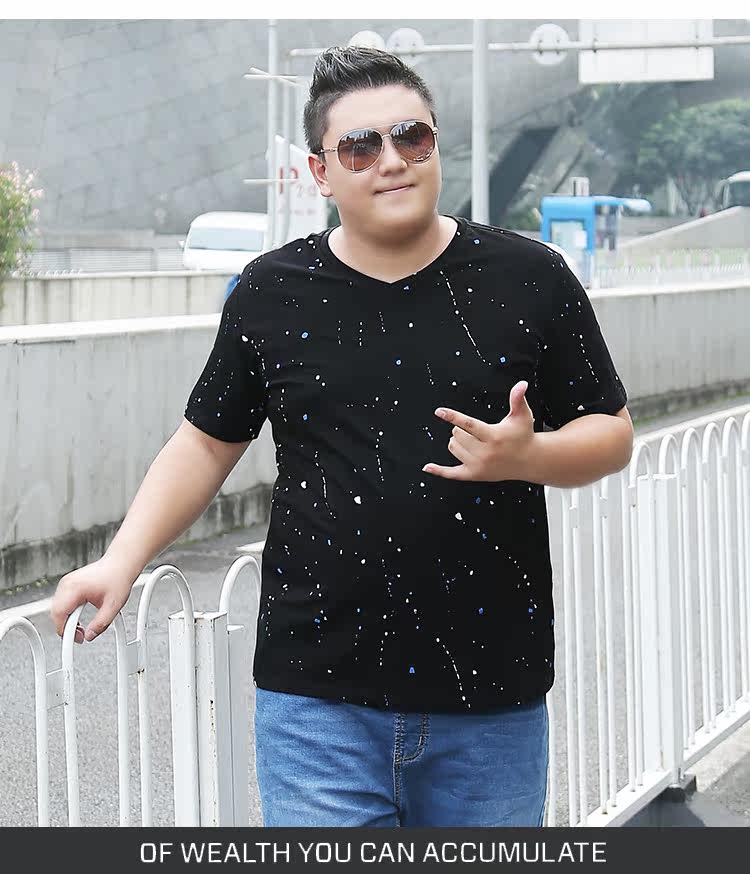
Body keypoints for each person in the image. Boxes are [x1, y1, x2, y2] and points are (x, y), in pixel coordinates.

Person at [50, 45, 634, 828]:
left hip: (491, 701)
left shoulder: (530, 277)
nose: (392, 160)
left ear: (435, 142)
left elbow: (612, 432)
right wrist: (120, 561)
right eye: (360, 146)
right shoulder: (270, 291)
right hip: (315, 704)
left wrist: (532, 456)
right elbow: (205, 442)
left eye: (412, 137)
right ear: (321, 172)